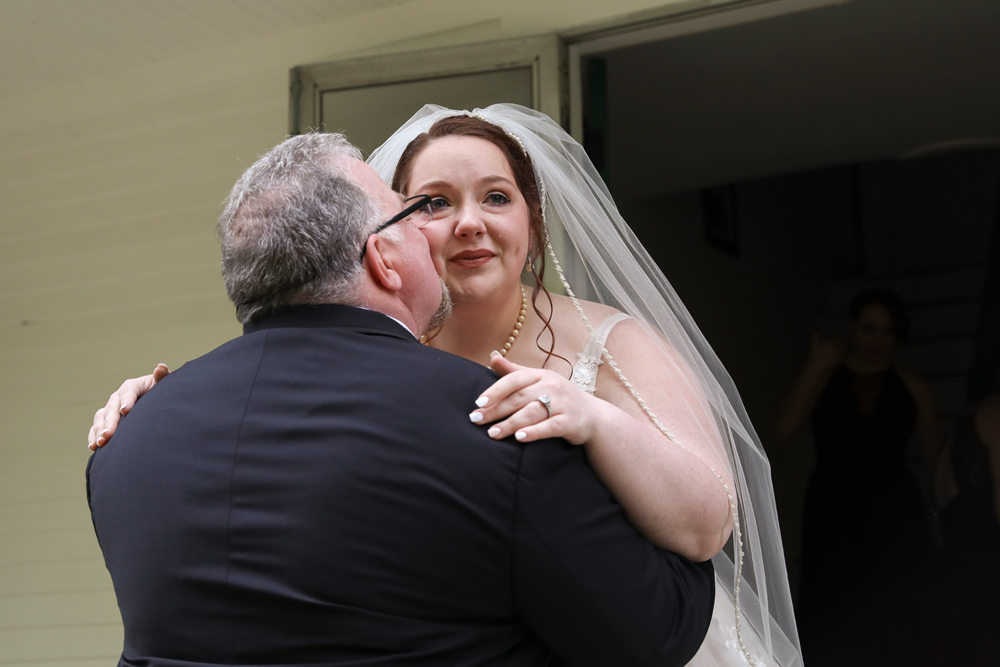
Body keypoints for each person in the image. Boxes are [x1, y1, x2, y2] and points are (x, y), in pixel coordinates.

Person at [89, 105, 803, 667]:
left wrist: (594, 420)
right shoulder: (378, 367)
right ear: (390, 238)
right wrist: (153, 406)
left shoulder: (612, 342)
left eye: (495, 197)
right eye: (432, 203)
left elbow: (707, 525)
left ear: (533, 222)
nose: (467, 223)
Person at [774, 288, 940, 665]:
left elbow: (937, 465)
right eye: (868, 329)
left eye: (887, 332)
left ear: (897, 335)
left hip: (894, 511)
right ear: (853, 328)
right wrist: (816, 364)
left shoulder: (913, 388)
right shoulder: (826, 375)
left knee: (895, 611)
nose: (876, 341)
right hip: (833, 506)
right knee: (833, 610)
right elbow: (782, 430)